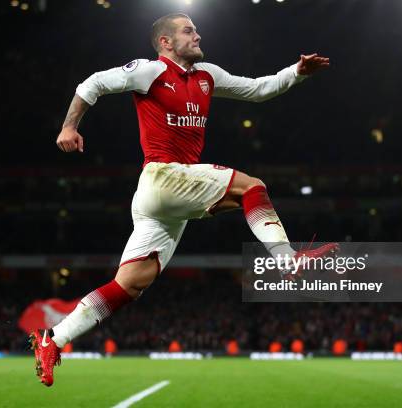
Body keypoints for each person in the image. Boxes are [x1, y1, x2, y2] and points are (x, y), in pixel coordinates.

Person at [29, 12, 338, 386]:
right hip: (163, 176)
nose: (197, 34)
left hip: (163, 199)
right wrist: (69, 125)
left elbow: (259, 89)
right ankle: (287, 261)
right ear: (166, 42)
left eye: (195, 29)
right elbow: (92, 83)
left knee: (130, 284)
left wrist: (297, 72)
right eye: (188, 31)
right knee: (251, 187)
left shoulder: (208, 76)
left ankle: (53, 339)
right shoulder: (149, 71)